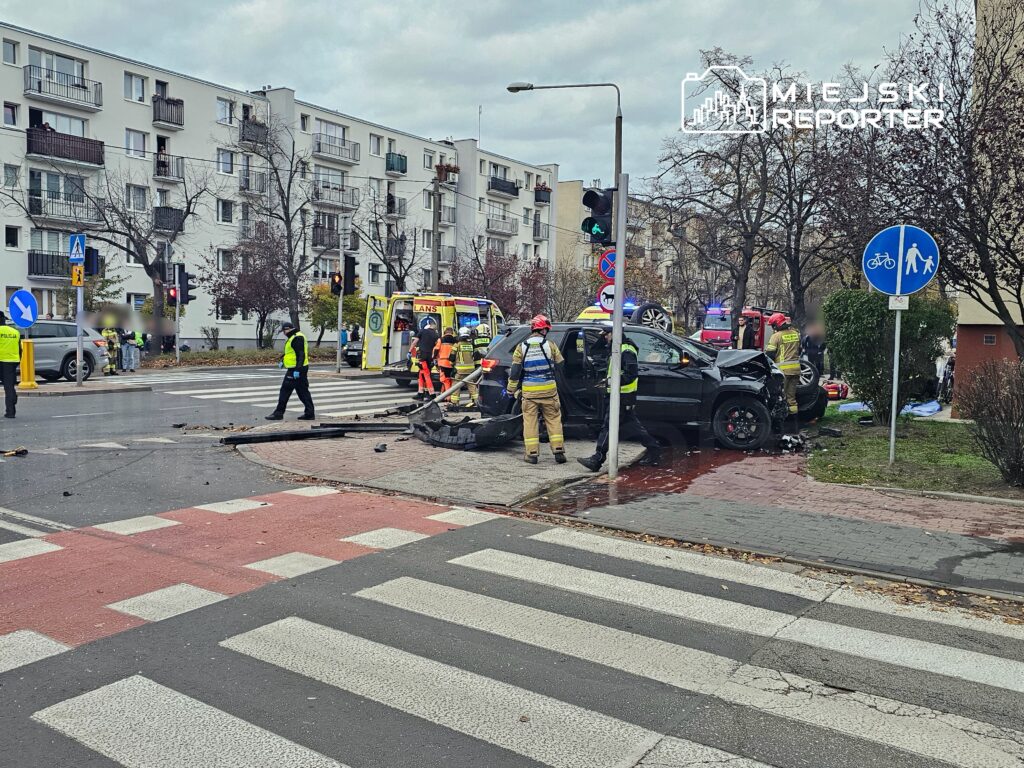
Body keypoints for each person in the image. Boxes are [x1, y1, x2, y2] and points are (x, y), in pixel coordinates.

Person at [578, 323, 661, 471]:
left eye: (607, 334)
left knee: (608, 427)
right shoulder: (617, 349)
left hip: (622, 396)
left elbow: (631, 374)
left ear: (614, 334)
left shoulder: (626, 350)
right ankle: (654, 449)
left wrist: (612, 381)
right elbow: (595, 350)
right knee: (634, 427)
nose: (605, 337)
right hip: (620, 395)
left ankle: (597, 459)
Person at [506, 314, 566, 465]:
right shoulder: (551, 345)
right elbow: (561, 365)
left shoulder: (521, 347)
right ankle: (558, 451)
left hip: (530, 392)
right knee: (553, 420)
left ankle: (532, 454)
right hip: (549, 391)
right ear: (544, 330)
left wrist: (511, 390)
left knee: (530, 422)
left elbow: (515, 372)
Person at [265, 321, 315, 421]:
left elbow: (300, 355)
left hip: (295, 369)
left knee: (285, 391)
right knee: (303, 392)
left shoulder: (297, 338)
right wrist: (283, 361)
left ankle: (279, 413)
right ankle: (309, 413)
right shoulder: (294, 337)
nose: (284, 333)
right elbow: (291, 353)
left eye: (284, 330)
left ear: (289, 329)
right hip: (299, 368)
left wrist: (297, 370)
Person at [765, 312, 801, 420]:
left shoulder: (776, 336)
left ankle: (781, 425)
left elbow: (769, 355)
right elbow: (800, 349)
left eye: (773, 325)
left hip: (783, 372)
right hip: (796, 370)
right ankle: (794, 424)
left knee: (780, 397)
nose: (772, 328)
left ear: (776, 324)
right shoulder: (795, 333)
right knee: (791, 398)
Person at [450, 326, 477, 410]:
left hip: (459, 370)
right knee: (472, 386)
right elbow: (475, 356)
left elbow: (451, 357)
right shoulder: (471, 345)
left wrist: (452, 366)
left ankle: (455, 403)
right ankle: (476, 401)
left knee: (456, 386)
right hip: (470, 370)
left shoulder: (456, 345)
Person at [0, 312, 20, 419]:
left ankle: (12, 397)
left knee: (8, 387)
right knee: (9, 387)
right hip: (12, 362)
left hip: (1, 361)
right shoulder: (15, 332)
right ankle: (11, 412)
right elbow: (20, 349)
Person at [413, 319, 439, 401]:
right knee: (421, 375)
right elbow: (437, 347)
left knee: (426, 375)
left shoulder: (422, 331)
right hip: (429, 358)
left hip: (423, 357)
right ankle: (421, 393)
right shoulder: (436, 335)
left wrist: (410, 351)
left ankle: (432, 394)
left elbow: (414, 342)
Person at [434, 326, 457, 397]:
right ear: (452, 332)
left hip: (443, 363)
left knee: (445, 380)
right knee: (450, 379)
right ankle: (443, 394)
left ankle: (448, 397)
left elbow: (436, 350)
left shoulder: (441, 339)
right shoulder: (455, 340)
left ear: (445, 332)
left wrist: (434, 358)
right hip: (453, 363)